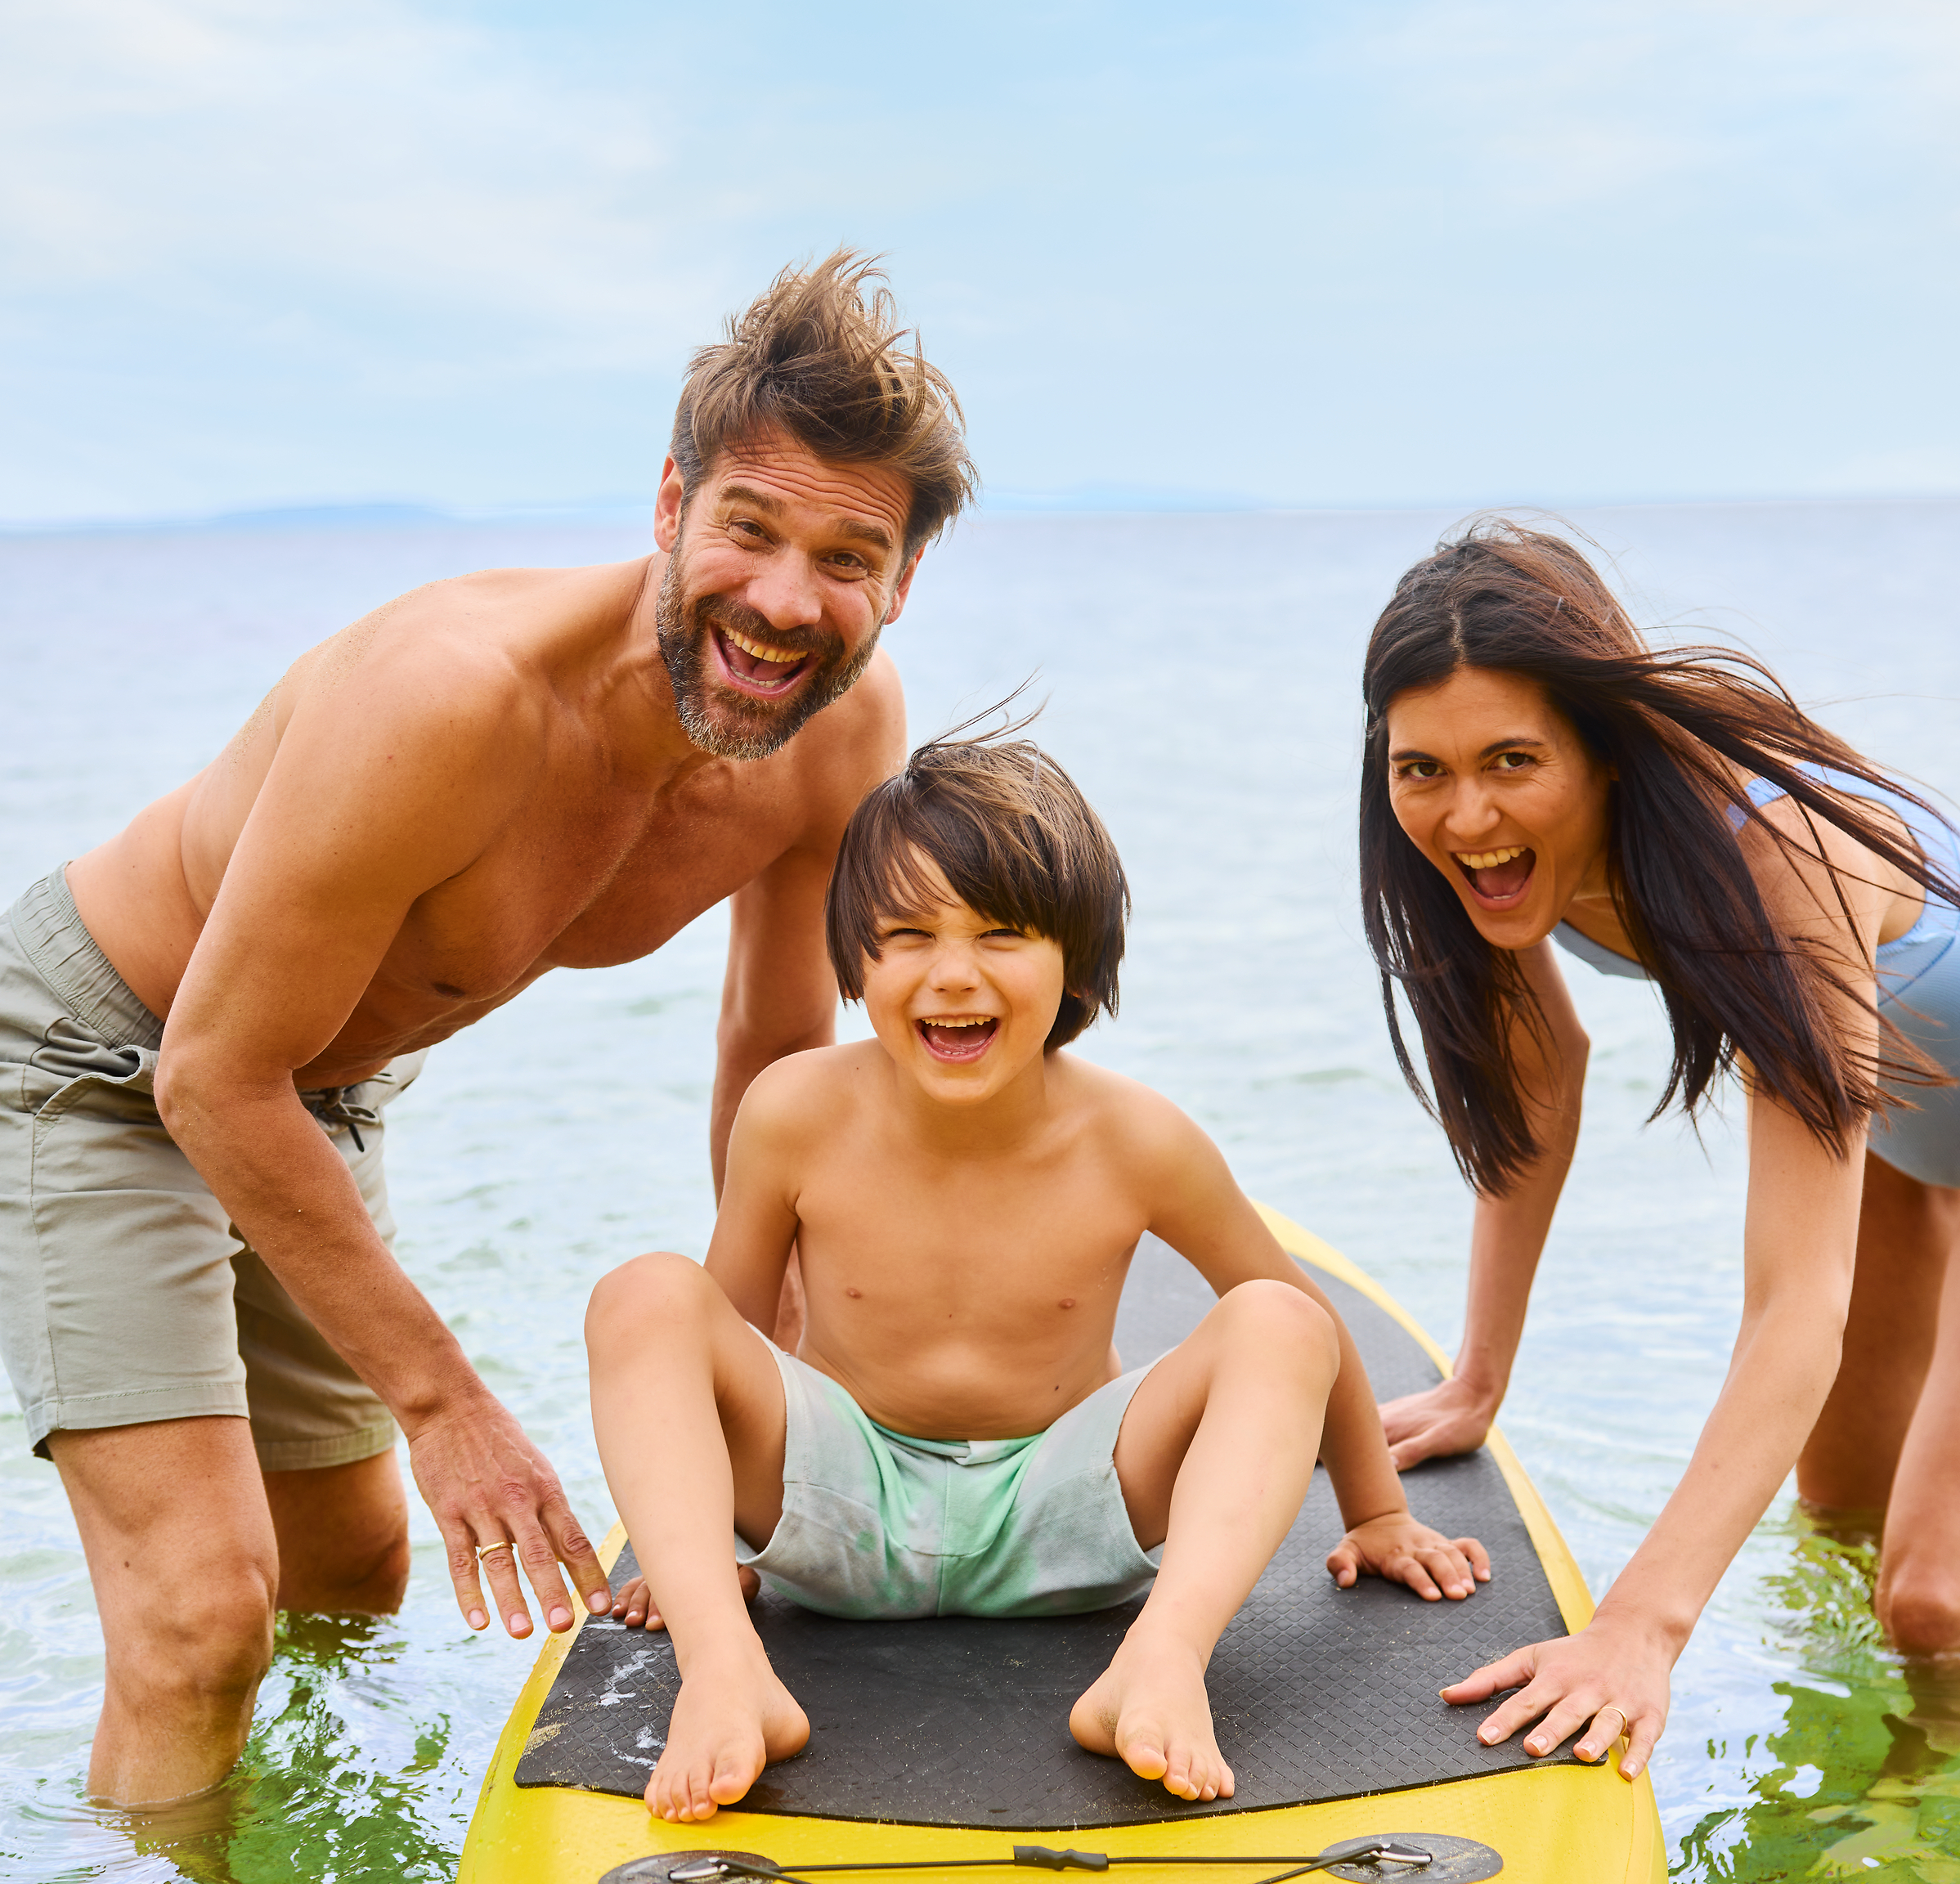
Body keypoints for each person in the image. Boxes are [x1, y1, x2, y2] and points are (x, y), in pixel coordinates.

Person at [0, 253, 973, 1809]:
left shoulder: (837, 733)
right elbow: (210, 1074)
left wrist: (766, 1392)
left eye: (846, 558)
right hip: (107, 1061)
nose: (787, 603)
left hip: (311, 1087)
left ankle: (296, 1879)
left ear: (901, 582)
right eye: (748, 528)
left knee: (352, 1577)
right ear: (671, 504)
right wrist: (449, 1408)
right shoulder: (449, 699)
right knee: (200, 1620)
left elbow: (773, 1066)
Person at [587, 730, 1490, 1823]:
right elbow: (720, 1332)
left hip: (1070, 1516)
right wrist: (706, 1549)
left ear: (1078, 963)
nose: (951, 973)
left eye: (1001, 935)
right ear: (855, 963)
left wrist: (1377, 1512)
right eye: (906, 936)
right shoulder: (794, 1111)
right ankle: (726, 1672)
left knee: (1277, 1319)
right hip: (838, 1509)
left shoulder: (1137, 1140)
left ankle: (1158, 1662)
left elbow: (1305, 1328)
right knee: (645, 1293)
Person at [1357, 522, 1960, 1781]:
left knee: (1929, 1601)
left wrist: (1636, 1629)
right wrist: (1477, 1377)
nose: (1465, 814)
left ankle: (1929, 1872)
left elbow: (1795, 1301)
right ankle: (1853, 1817)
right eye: (1422, 769)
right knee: (1839, 1525)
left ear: (1606, 746)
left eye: (1511, 759)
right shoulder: (1488, 866)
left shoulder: (1777, 865)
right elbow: (1539, 1081)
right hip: (1909, 1138)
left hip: (1915, 1126)